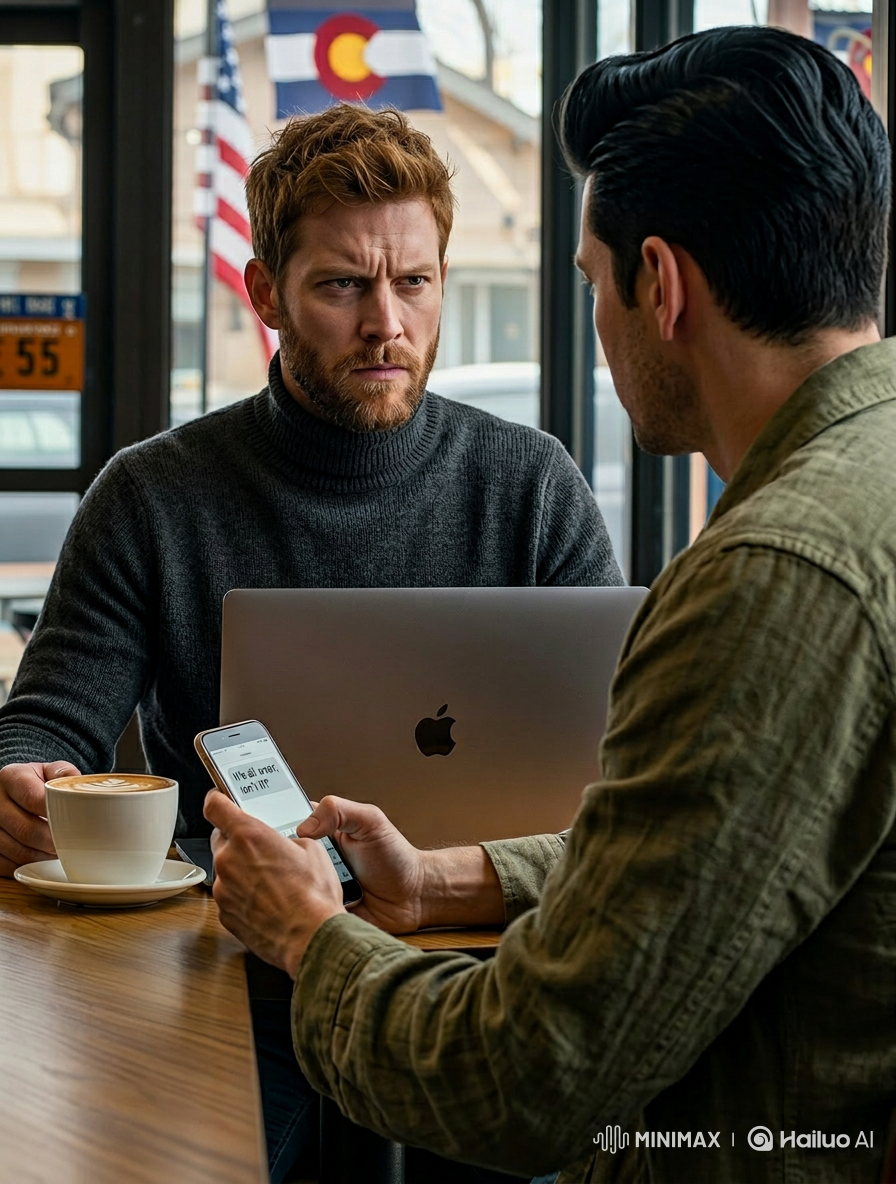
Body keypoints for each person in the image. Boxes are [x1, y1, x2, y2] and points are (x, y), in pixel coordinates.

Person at [205, 25, 896, 1184]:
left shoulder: (773, 574)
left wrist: (304, 931)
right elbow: (707, 853)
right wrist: (444, 877)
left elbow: (523, 1080)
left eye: (589, 281)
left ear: (658, 284)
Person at [0, 104, 621, 1182]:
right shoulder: (153, 495)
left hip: (486, 952)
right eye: (341, 285)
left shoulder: (531, 485)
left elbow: (617, 765)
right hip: (231, 957)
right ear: (265, 295)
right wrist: (18, 774)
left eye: (414, 282)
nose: (386, 322)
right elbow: (48, 715)